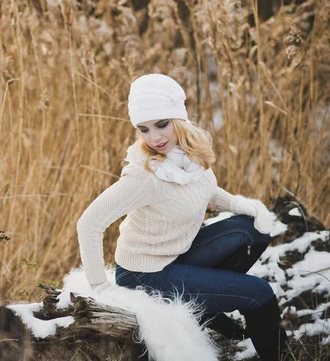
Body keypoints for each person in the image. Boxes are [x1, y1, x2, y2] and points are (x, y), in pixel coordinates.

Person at [76, 74, 287, 361]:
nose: (155, 138)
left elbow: (203, 191)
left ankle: (207, 308)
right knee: (259, 294)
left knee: (254, 231)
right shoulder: (143, 176)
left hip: (177, 253)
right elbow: (88, 223)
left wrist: (239, 203)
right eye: (144, 129)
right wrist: (100, 289)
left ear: (179, 119)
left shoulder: (188, 156)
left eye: (162, 124)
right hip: (145, 274)